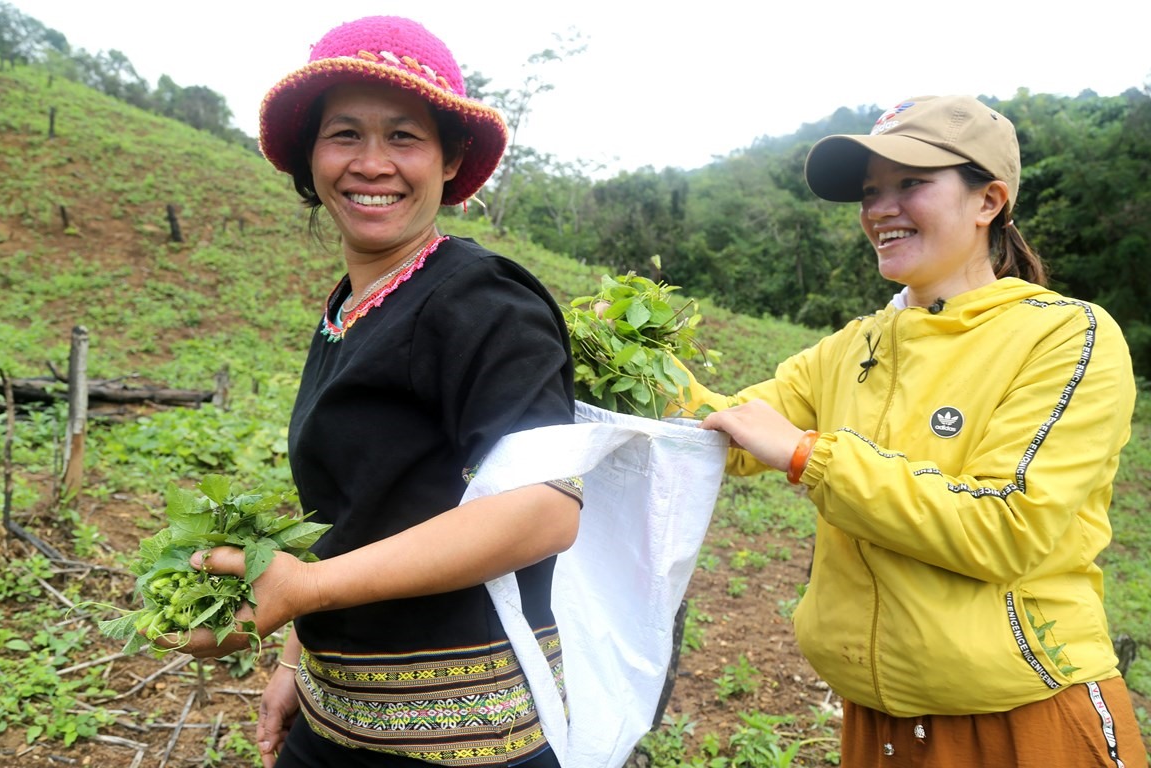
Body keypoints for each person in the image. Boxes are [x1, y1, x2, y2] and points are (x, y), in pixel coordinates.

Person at [156, 16, 581, 768]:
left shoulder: (483, 301)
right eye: (345, 134)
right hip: (333, 724)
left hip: (464, 744)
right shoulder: (349, 310)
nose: (372, 163)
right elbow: (358, 513)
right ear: (311, 157)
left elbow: (543, 509)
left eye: (405, 137)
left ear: (451, 159)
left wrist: (304, 590)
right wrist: (297, 659)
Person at [679, 95, 1148, 767]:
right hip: (878, 723)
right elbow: (717, 425)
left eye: (910, 183)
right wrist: (596, 352)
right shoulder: (848, 349)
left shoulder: (1066, 334)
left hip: (1026, 717)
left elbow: (1007, 526)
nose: (879, 210)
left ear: (988, 200)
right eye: (871, 192)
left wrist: (811, 456)